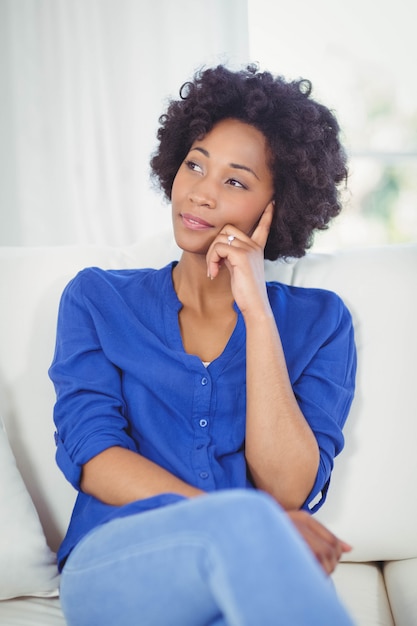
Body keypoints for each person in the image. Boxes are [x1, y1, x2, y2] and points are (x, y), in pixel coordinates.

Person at [49, 64, 357, 625]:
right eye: (195, 165)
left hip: (242, 568)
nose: (200, 193)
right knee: (247, 526)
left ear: (276, 205)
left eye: (235, 181)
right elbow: (95, 459)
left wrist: (257, 313)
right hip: (116, 563)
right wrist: (241, 517)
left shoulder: (322, 323)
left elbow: (288, 488)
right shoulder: (97, 299)